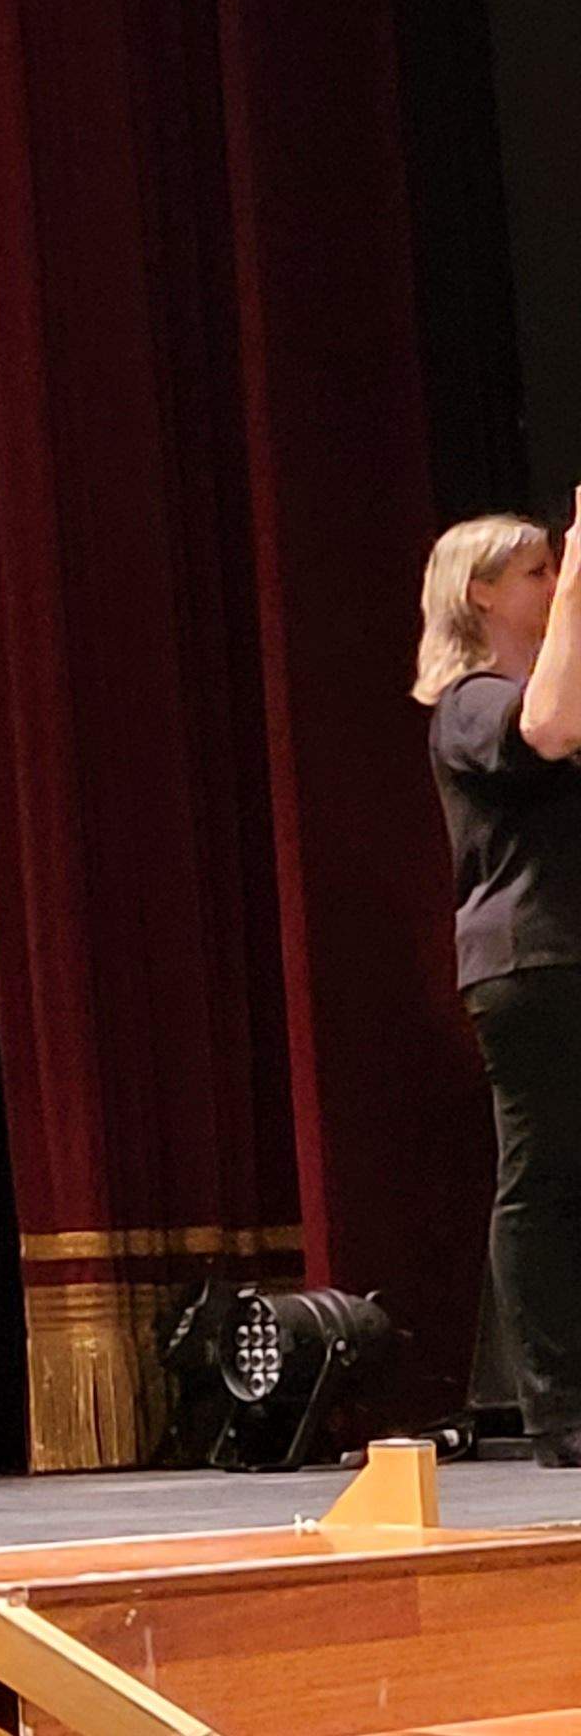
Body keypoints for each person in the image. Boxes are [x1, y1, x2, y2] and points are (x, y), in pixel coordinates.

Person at [417, 505, 581, 1470]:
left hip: (568, 953)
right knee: (545, 1179)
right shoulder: (472, 702)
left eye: (555, 569)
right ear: (480, 594)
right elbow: (548, 727)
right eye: (535, 572)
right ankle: (560, 1410)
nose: (551, 583)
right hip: (533, 961)